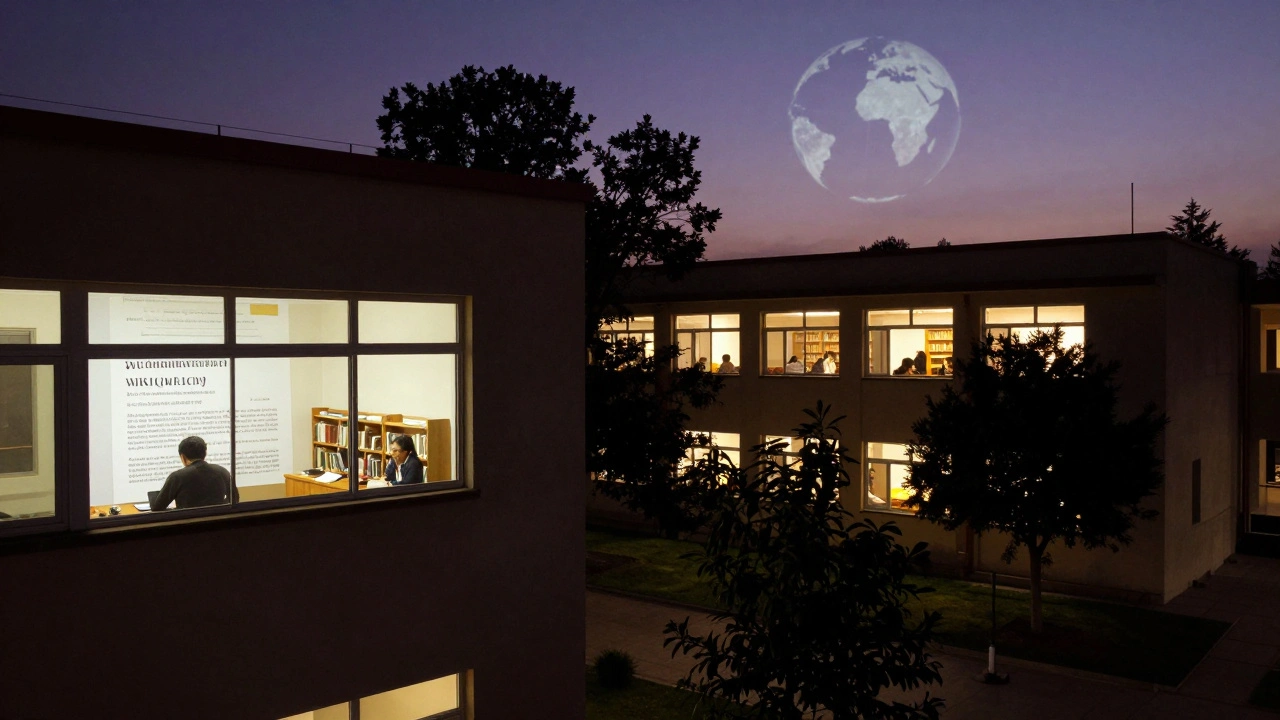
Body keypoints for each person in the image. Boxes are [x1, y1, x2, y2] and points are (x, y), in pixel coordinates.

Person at [151, 436, 236, 511]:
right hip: (219, 521)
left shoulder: (177, 476)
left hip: (188, 522)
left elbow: (157, 507)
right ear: (205, 453)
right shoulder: (222, 471)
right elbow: (235, 498)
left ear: (183, 457)